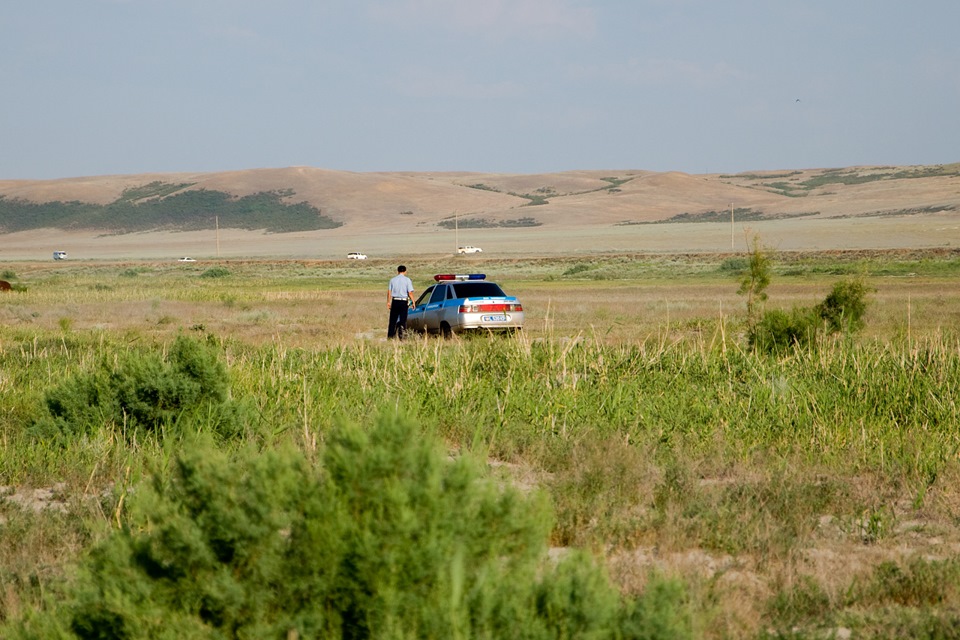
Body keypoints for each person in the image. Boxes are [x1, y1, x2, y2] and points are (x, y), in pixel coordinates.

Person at [387, 265, 415, 339]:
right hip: (403, 302)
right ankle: (402, 336)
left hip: (395, 301)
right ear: (405, 271)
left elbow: (389, 292)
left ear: (398, 271)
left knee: (393, 320)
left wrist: (388, 302)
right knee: (403, 320)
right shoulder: (407, 280)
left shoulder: (392, 280)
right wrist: (413, 302)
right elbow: (410, 293)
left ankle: (390, 336)